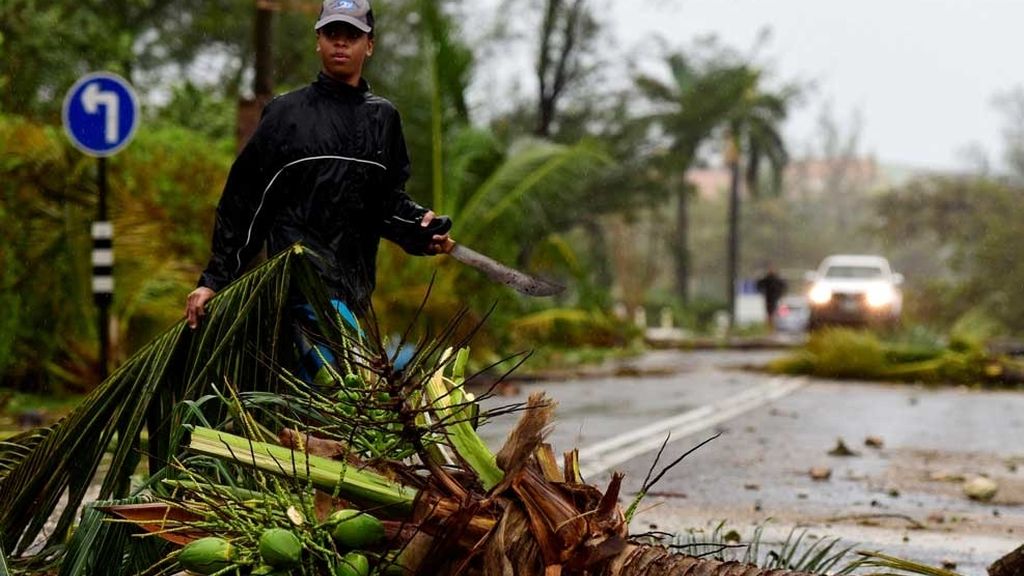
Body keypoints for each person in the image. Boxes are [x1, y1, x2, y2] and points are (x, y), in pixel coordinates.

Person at [184, 0, 449, 338]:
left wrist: (420, 229)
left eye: (351, 35)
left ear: (369, 45)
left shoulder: (383, 119)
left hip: (353, 294)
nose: (340, 42)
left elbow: (384, 204)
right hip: (296, 293)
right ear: (318, 40)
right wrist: (214, 280)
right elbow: (244, 203)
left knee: (346, 388)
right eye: (332, 33)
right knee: (334, 377)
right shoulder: (285, 115)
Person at [756, 265, 787, 331]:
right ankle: (771, 327)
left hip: (774, 298)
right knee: (771, 313)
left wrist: (781, 294)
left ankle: (773, 326)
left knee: (775, 312)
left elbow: (783, 286)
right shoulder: (768, 279)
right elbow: (759, 285)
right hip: (770, 298)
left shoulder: (775, 279)